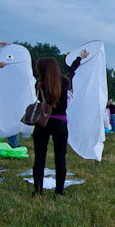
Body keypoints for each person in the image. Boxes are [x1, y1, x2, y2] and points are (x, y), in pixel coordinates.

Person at [31, 51, 86, 195]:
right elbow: (72, 71)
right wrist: (80, 57)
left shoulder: (39, 84)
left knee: (39, 158)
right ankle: (59, 191)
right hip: (60, 123)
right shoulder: (65, 82)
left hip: (43, 122)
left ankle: (38, 190)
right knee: (60, 157)